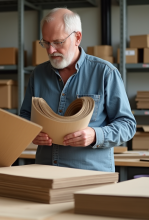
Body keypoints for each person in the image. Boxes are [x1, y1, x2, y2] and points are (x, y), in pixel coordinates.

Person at [20, 8, 136, 172]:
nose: (51, 50)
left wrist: (95, 135)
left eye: (58, 42)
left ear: (77, 38)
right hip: (45, 172)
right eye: (46, 43)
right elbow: (25, 116)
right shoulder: (38, 74)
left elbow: (128, 125)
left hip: (90, 176)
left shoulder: (105, 73)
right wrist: (31, 132)